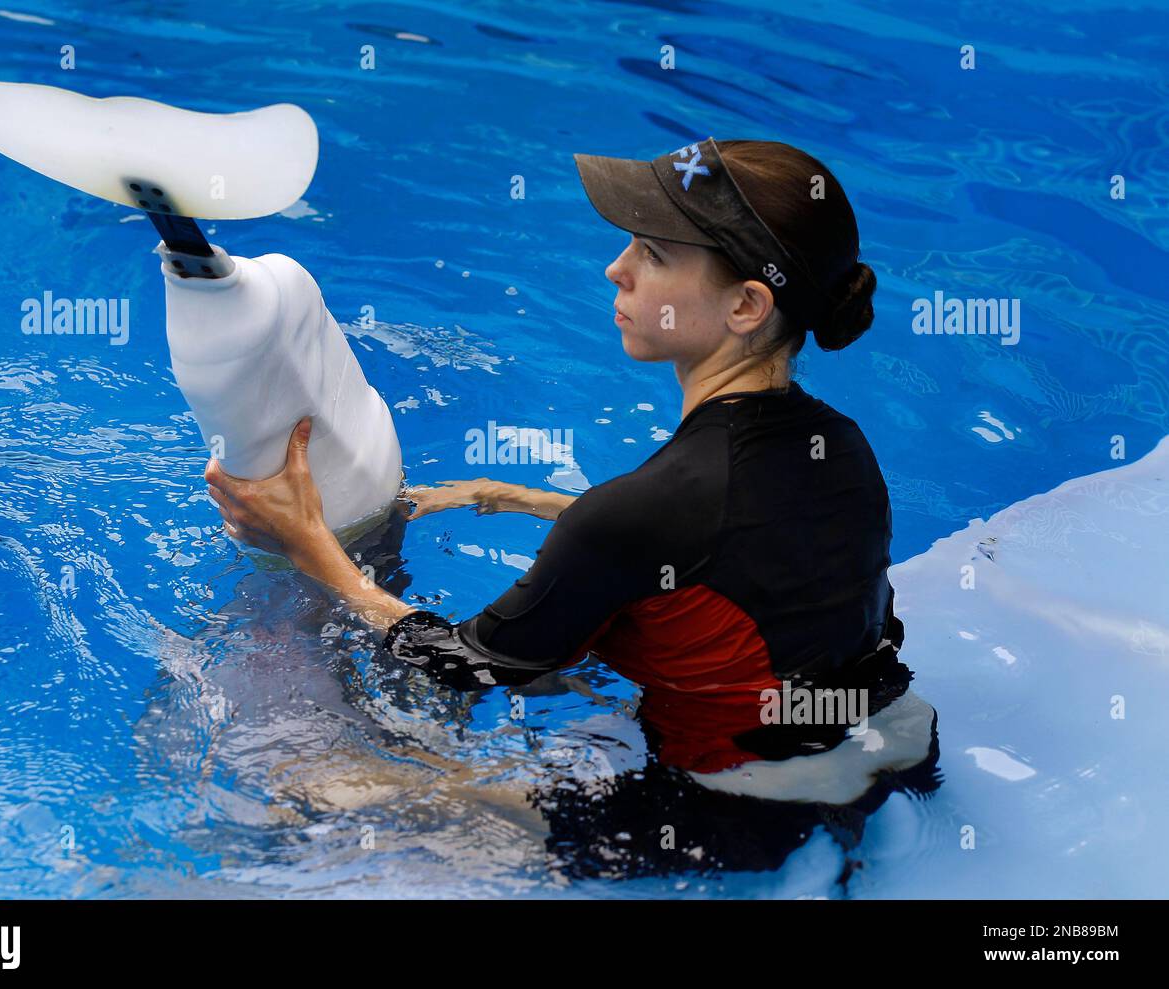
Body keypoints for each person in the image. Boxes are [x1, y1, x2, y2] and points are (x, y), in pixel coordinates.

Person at [206, 138, 941, 878]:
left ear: (747, 305)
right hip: (889, 753)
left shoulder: (645, 508)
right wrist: (517, 497)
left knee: (314, 788)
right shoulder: (841, 446)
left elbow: (466, 664)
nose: (615, 268)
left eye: (653, 253)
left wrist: (312, 547)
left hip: (721, 821)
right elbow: (731, 549)